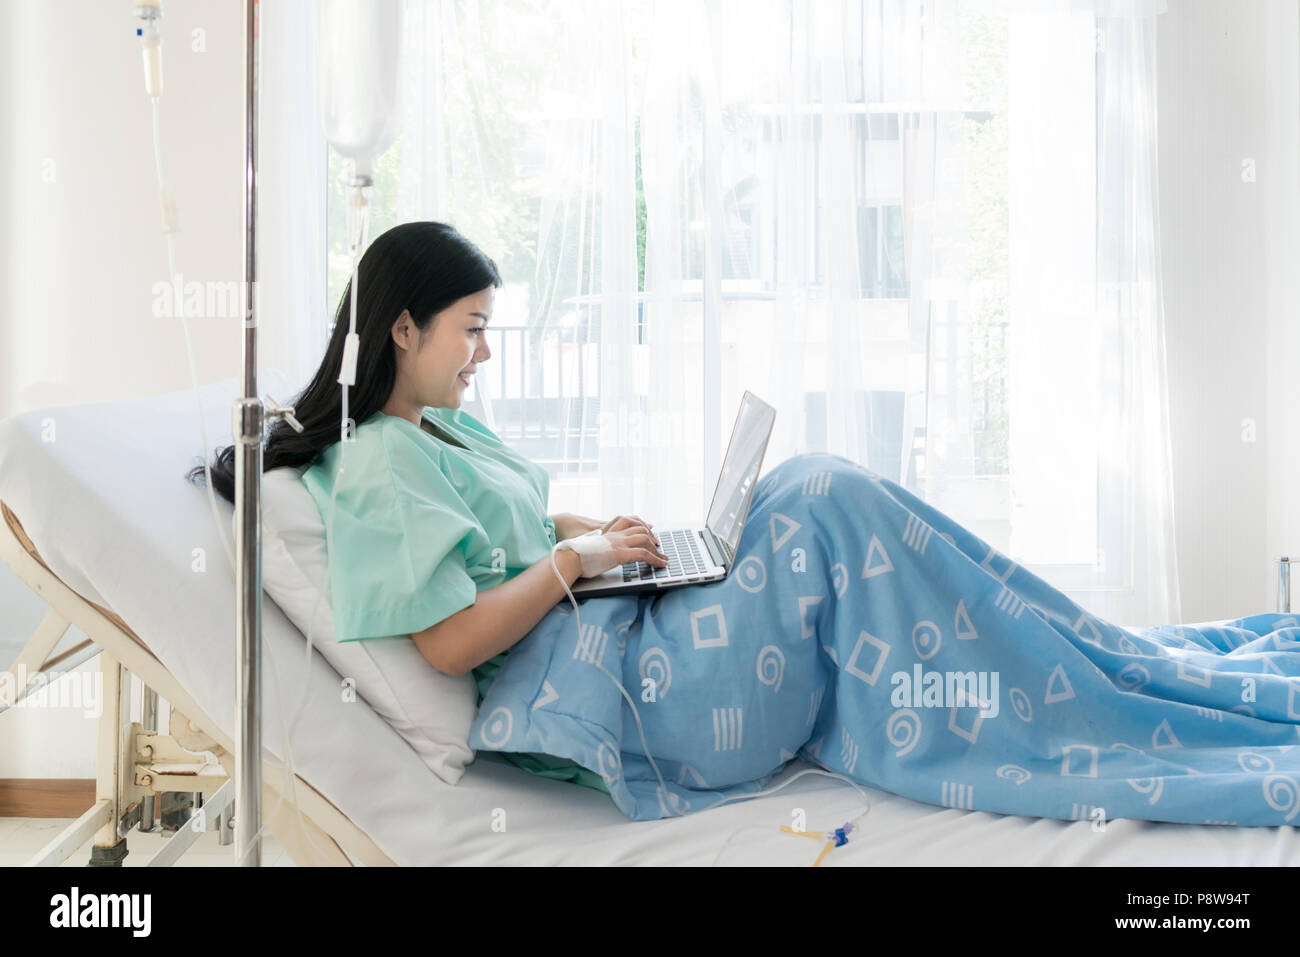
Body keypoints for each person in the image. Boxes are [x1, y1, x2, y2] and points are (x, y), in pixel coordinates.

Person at [188, 221, 666, 791]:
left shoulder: (433, 422)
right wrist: (569, 559)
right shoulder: (380, 462)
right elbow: (450, 644)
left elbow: (485, 545)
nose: (484, 351)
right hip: (567, 684)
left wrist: (567, 530)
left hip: (601, 636)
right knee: (800, 502)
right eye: (473, 329)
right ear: (405, 329)